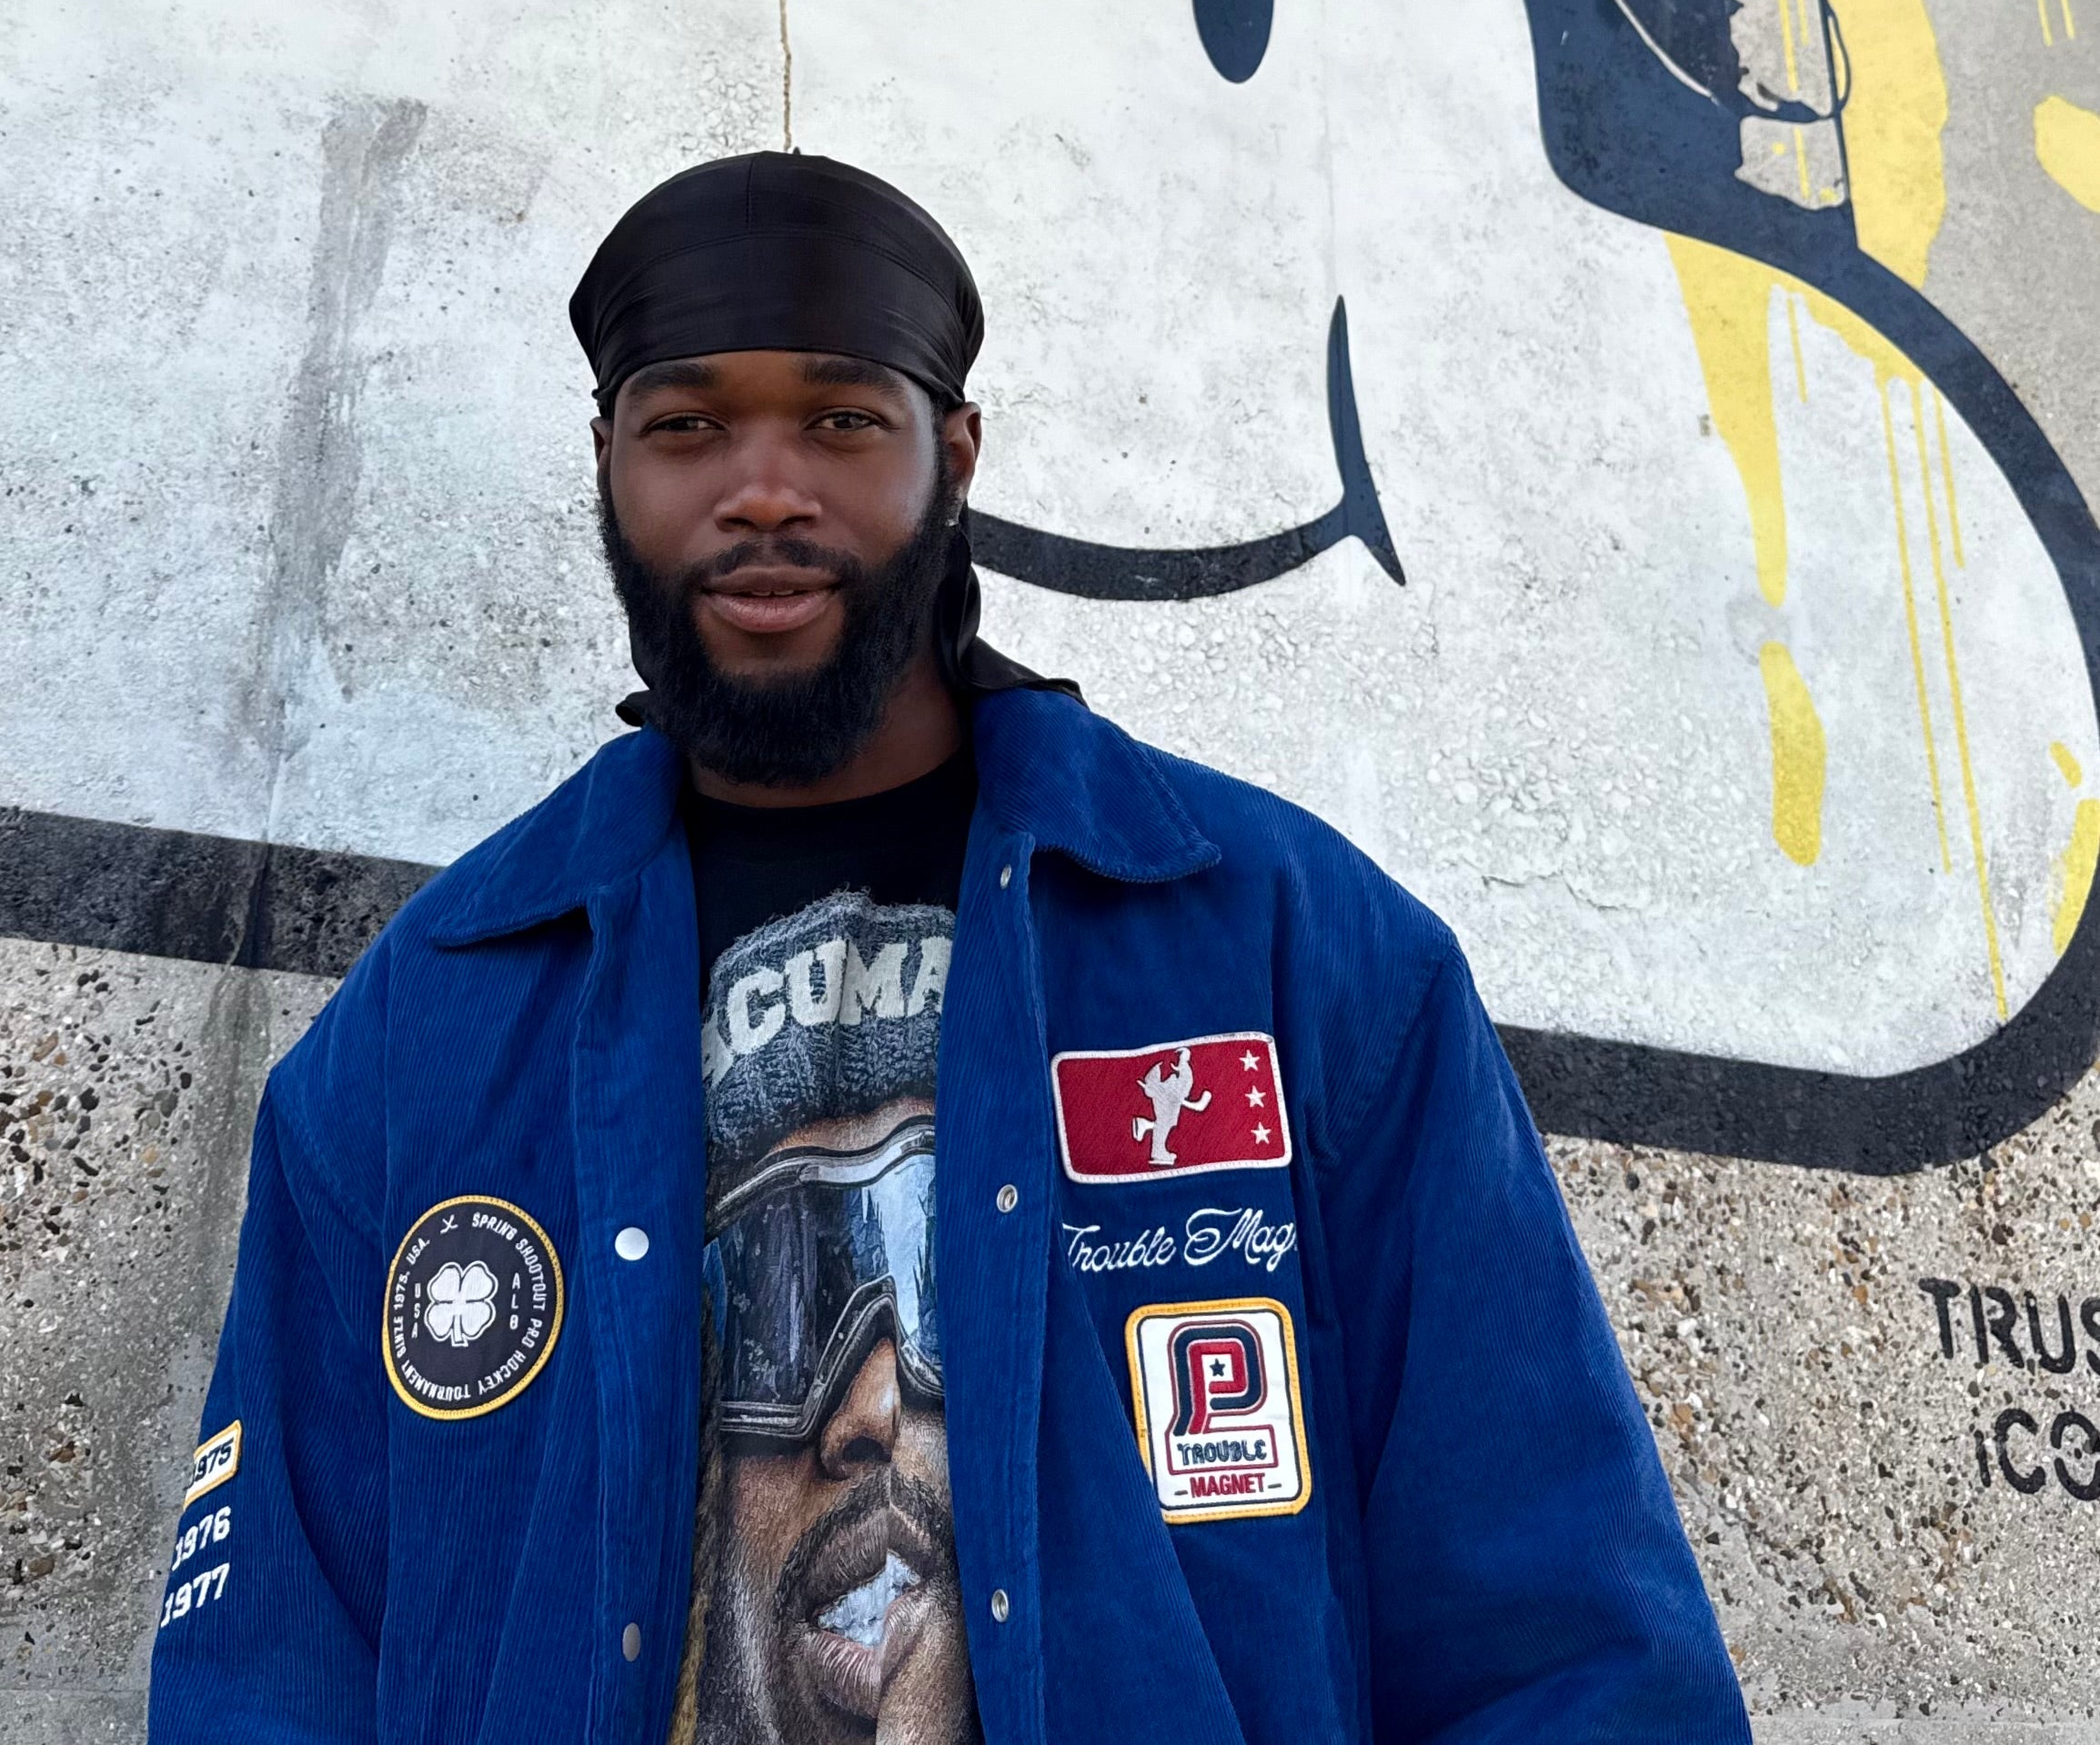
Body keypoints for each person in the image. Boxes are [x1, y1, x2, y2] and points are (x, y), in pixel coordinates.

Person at [146, 152, 1749, 1744]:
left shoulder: (1296, 954)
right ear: (606, 465)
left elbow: (1564, 1639)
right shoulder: (423, 1028)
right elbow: (267, 1665)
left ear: (955, 454)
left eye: (841, 420)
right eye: (686, 425)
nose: (762, 486)